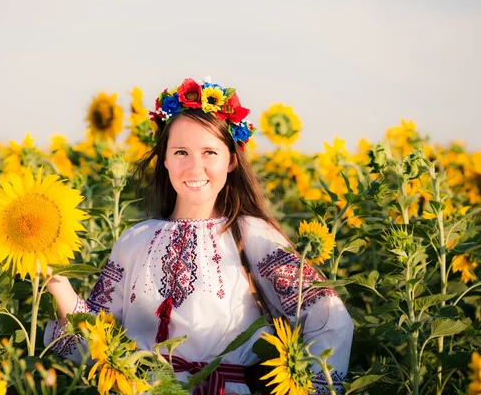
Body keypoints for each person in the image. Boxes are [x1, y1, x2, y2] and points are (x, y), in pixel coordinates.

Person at [42, 78, 354, 394]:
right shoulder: (133, 241)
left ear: (231, 160)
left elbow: (329, 318)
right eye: (181, 152)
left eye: (209, 152)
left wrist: (315, 387)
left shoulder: (253, 235)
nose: (194, 167)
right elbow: (96, 343)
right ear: (164, 158)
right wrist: (58, 285)